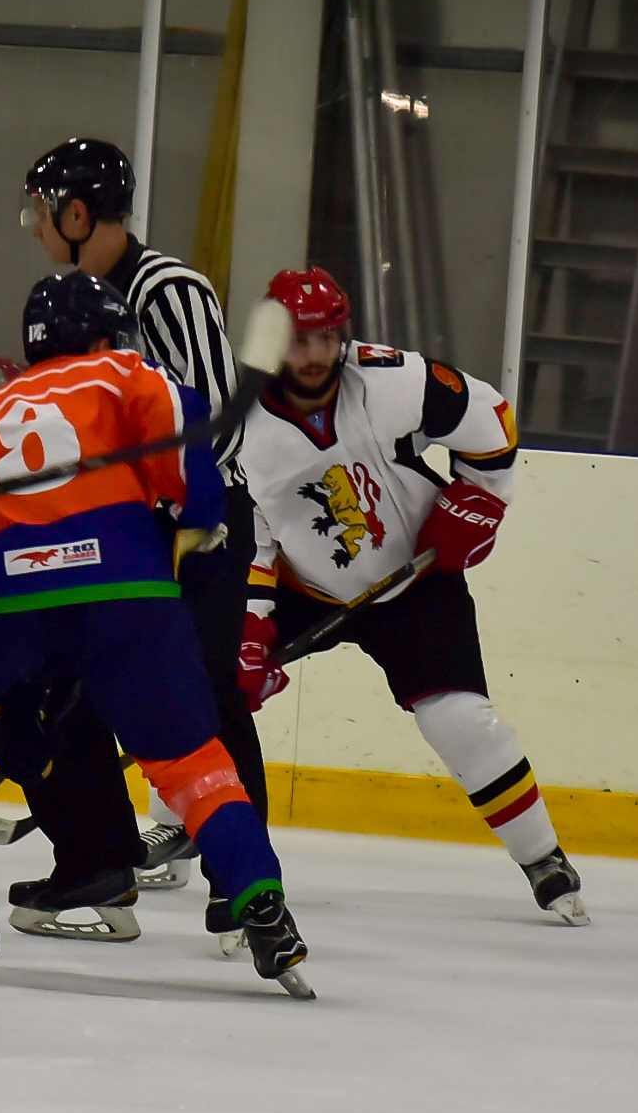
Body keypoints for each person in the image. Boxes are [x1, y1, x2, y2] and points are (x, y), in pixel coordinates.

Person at [0, 271, 314, 994]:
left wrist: (13, 692)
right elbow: (198, 491)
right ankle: (261, 902)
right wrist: (178, 571)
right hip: (121, 586)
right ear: (107, 337)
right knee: (191, 761)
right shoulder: (132, 375)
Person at [235, 267, 587, 925]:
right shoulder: (239, 423)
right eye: (299, 340)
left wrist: (480, 500)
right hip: (301, 588)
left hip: (416, 579)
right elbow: (248, 541)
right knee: (213, 687)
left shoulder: (392, 381)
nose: (314, 355)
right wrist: (253, 629)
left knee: (460, 720)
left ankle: (542, 857)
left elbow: (492, 419)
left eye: (326, 337)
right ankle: (179, 829)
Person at [2, 136, 264, 939]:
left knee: (204, 692)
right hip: (118, 530)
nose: (35, 228)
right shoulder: (71, 305)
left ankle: (244, 885)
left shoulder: (166, 289)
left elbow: (214, 424)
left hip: (198, 526)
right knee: (51, 677)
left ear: (80, 214)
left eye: (43, 212)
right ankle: (97, 861)